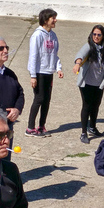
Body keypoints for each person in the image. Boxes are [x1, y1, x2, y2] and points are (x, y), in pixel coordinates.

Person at [73, 25, 104, 144]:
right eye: (94, 34)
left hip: (99, 83)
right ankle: (83, 133)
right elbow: (80, 55)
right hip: (86, 83)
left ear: (103, 36)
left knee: (96, 105)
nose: (96, 37)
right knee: (87, 106)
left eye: (99, 35)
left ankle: (92, 127)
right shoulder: (89, 46)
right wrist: (77, 64)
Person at [25, 8, 63, 137]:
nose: (55, 20)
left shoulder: (53, 35)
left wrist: (58, 68)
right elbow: (33, 56)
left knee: (46, 100)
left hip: (49, 72)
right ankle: (30, 128)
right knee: (39, 99)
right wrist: (33, 76)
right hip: (39, 72)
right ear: (46, 20)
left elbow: (54, 54)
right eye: (53, 18)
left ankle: (41, 126)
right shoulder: (37, 35)